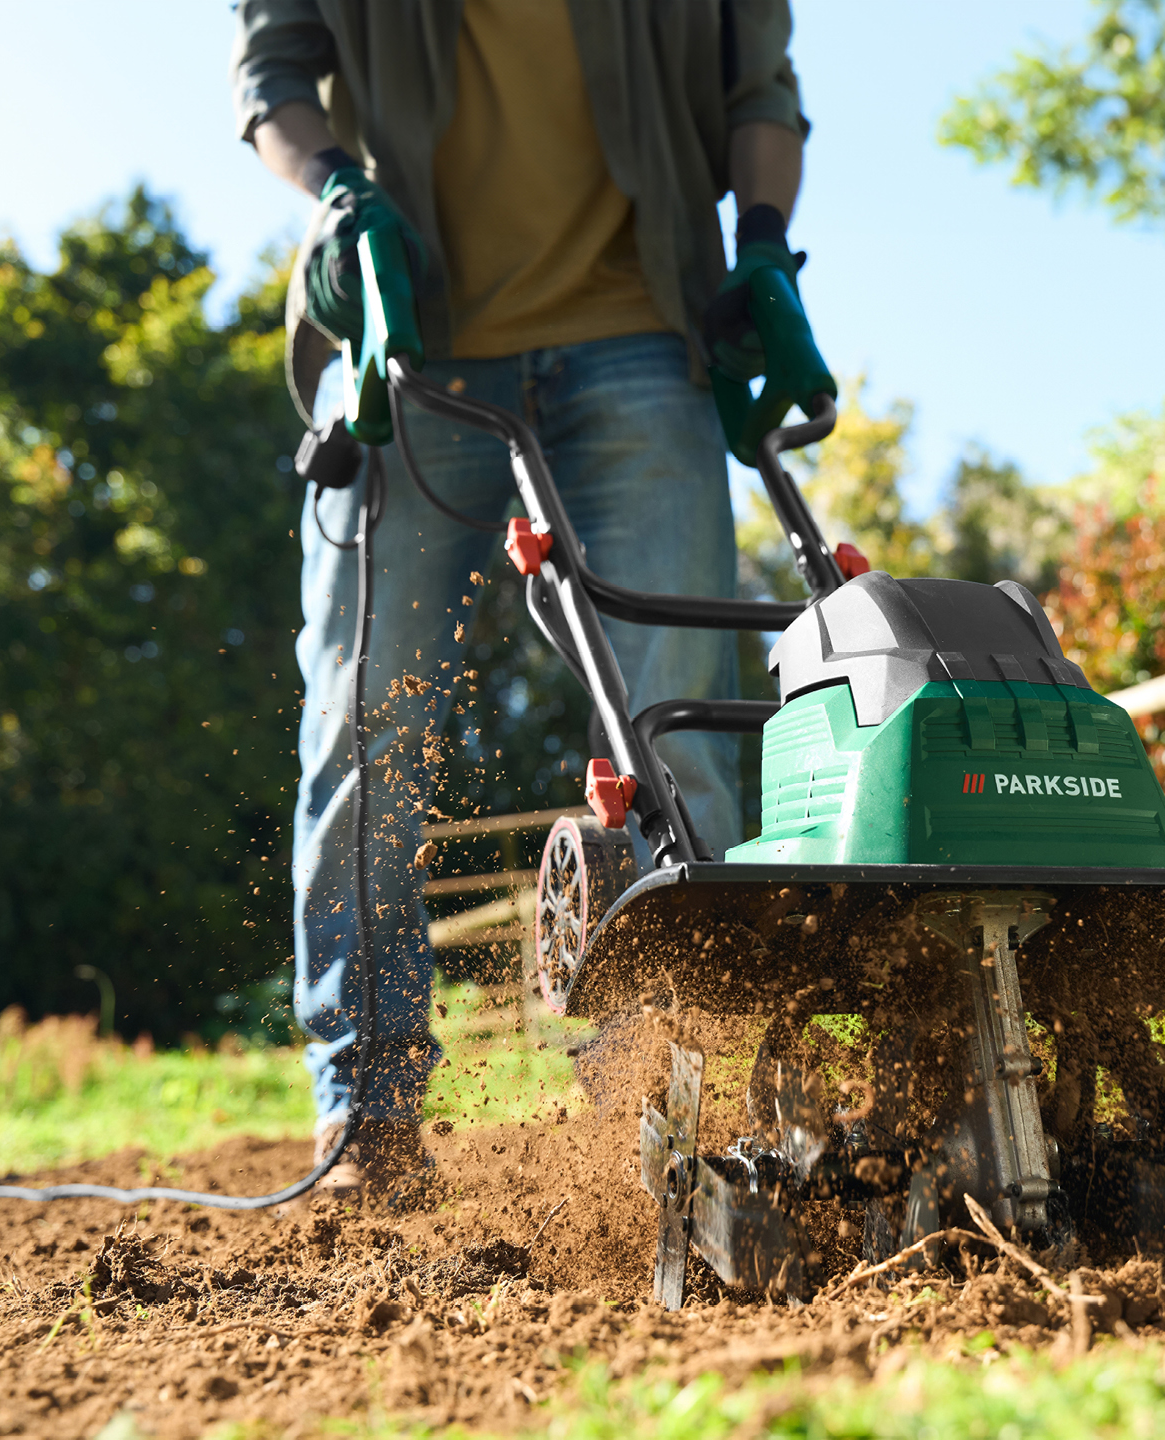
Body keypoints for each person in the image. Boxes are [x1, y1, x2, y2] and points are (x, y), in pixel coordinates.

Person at [231, 0, 815, 1202]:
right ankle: (366, 1118)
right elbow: (272, 79)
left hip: (643, 334)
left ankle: (659, 1111)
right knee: (362, 729)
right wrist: (339, 191)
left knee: (676, 733)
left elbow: (760, 91)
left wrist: (762, 244)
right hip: (407, 337)